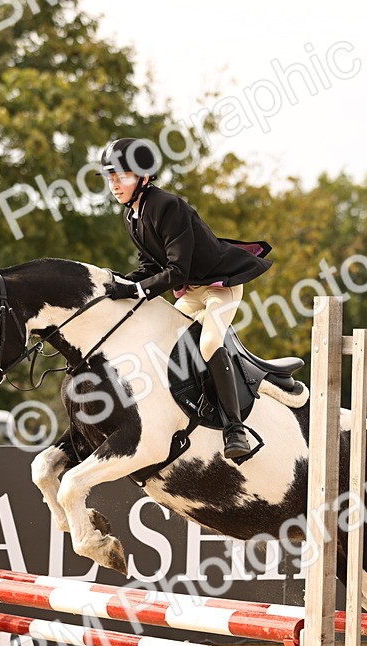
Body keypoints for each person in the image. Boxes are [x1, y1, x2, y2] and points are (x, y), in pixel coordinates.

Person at [100, 138, 272, 460]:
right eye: (110, 177)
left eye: (121, 176)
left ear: (143, 177)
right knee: (169, 341)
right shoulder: (131, 216)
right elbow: (150, 267)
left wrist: (134, 290)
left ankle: (235, 429)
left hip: (221, 287)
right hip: (192, 292)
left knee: (207, 344)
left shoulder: (168, 206)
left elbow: (177, 270)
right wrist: (119, 284)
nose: (114, 185)